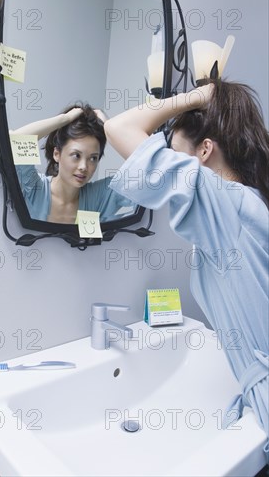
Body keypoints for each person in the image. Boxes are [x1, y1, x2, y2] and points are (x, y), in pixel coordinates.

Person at [104, 80, 269, 459]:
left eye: (175, 152)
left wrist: (199, 96)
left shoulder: (226, 203)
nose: (168, 161)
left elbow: (119, 129)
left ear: (204, 151)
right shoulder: (250, 202)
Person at [10, 103, 136, 223]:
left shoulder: (98, 197)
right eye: (76, 155)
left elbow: (145, 169)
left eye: (93, 158)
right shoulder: (35, 189)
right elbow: (16, 139)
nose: (84, 167)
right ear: (57, 154)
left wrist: (109, 127)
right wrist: (65, 119)